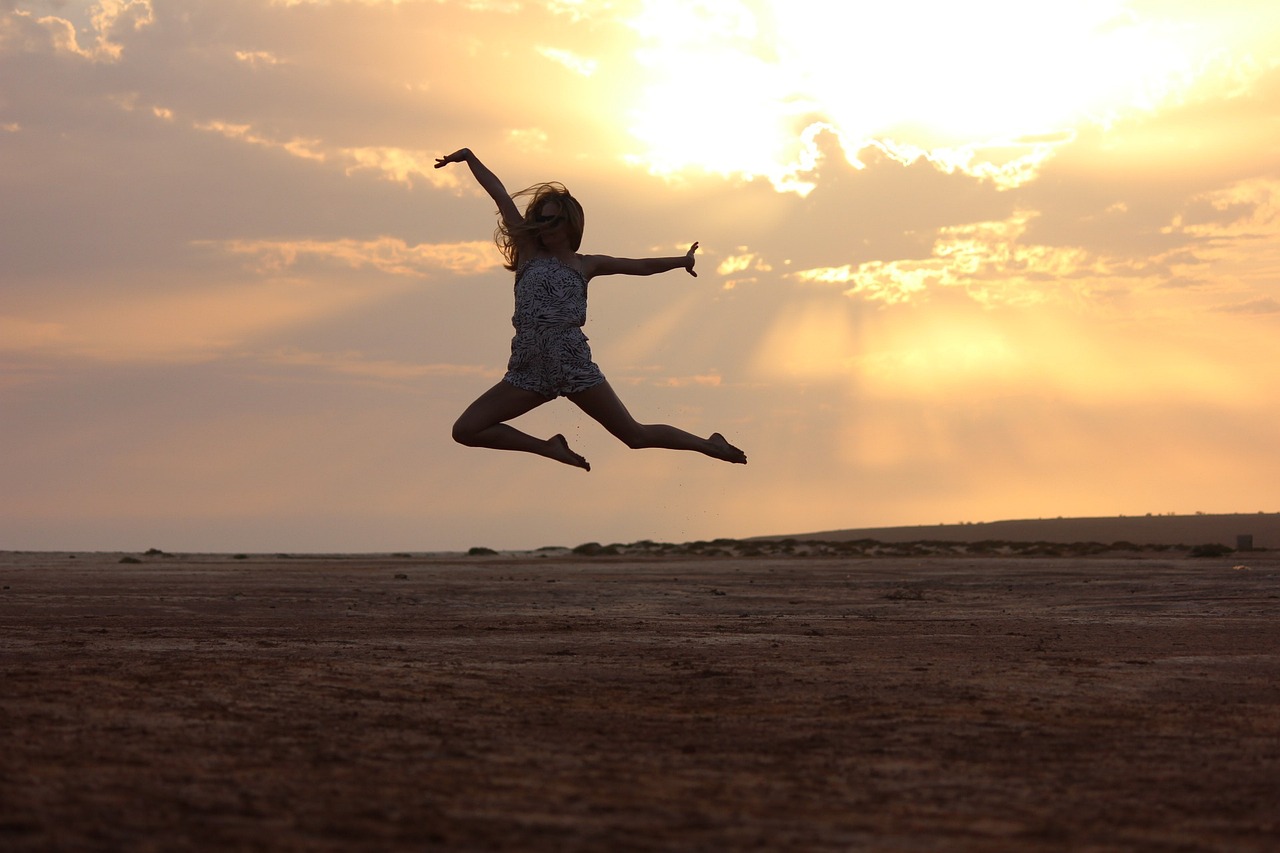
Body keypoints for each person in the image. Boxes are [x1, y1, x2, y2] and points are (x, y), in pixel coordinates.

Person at [434, 147, 747, 472]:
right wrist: (469, 158)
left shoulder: (586, 265)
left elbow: (639, 265)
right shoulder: (528, 252)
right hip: (530, 368)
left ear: (569, 223)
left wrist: (682, 261)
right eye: (540, 220)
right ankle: (548, 447)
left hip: (572, 364)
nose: (545, 226)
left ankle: (710, 445)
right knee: (466, 430)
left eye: (553, 220)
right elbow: (499, 195)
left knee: (634, 435)